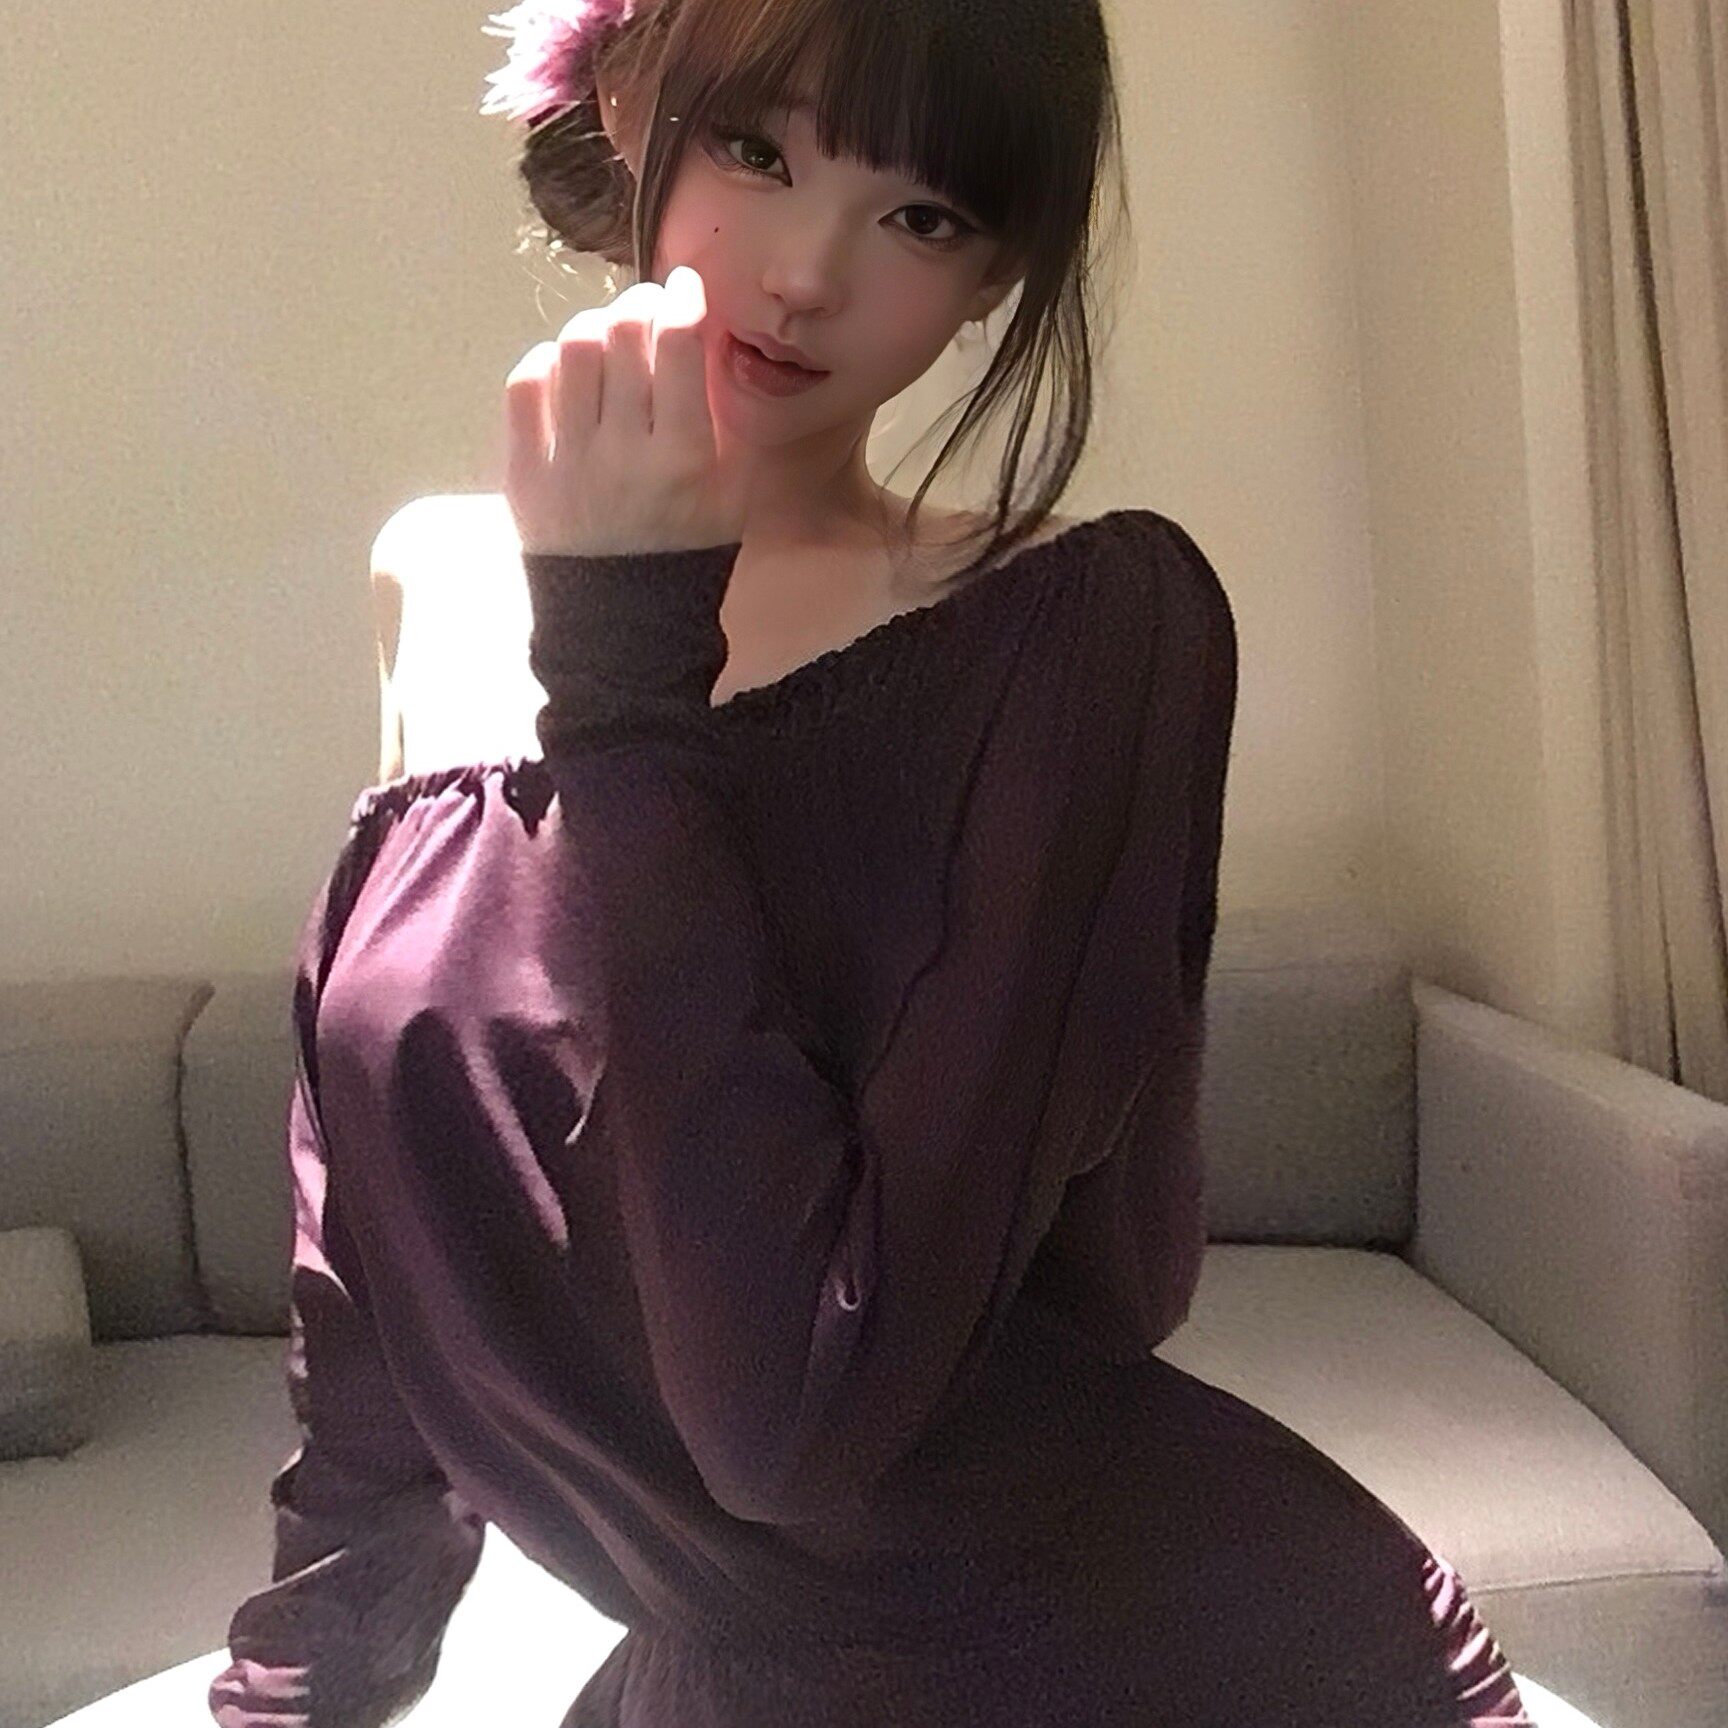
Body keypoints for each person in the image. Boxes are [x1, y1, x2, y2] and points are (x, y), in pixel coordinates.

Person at [207, 2, 1536, 1724]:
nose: (808, 274)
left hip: (1156, 1667)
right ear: (629, 101)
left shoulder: (1078, 630)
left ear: (996, 273)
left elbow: (795, 1422)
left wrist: (625, 679)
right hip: (722, 1678)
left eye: (922, 213)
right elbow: (372, 1290)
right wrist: (292, 1696)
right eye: (757, 150)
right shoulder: (436, 578)